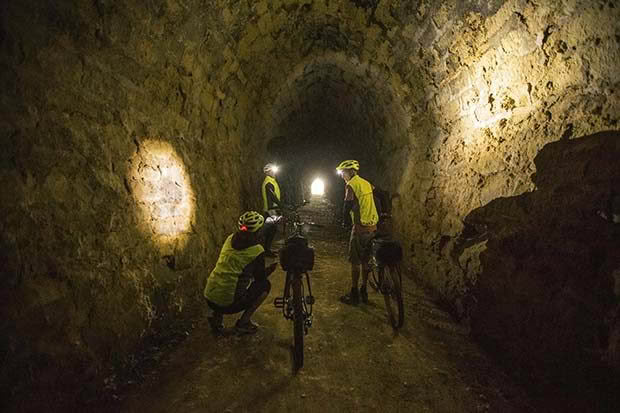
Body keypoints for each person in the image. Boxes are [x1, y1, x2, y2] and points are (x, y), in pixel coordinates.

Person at [204, 211, 277, 335]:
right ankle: (243, 323)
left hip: (209, 297)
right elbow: (259, 278)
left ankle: (216, 318)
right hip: (228, 305)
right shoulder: (257, 250)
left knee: (226, 275)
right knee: (265, 285)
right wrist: (271, 269)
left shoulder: (229, 238)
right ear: (258, 232)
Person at [336, 160, 379, 305]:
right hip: (372, 226)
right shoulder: (367, 183)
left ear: (350, 172)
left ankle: (354, 293)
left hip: (360, 228)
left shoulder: (351, 185)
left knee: (355, 262)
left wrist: (345, 221)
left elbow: (347, 206)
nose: (342, 176)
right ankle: (364, 291)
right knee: (366, 261)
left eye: (343, 173)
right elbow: (377, 196)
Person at [261, 163, 283, 258]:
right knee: (269, 231)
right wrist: (281, 205)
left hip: (272, 209)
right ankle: (265, 250)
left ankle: (266, 249)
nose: (274, 173)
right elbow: (272, 197)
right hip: (270, 210)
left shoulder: (272, 181)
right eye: (273, 171)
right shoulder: (268, 183)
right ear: (268, 172)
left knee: (271, 230)